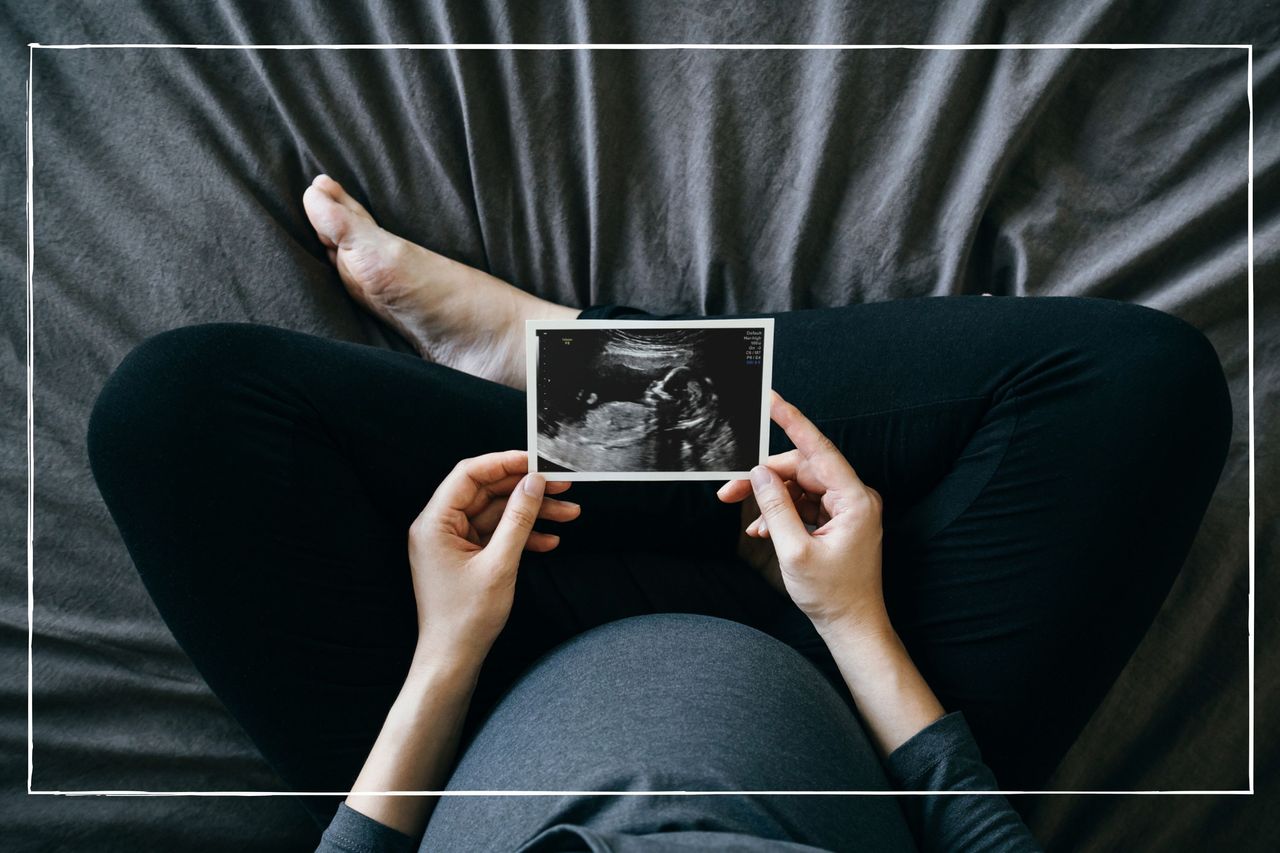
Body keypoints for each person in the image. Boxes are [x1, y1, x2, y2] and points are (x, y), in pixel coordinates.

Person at [86, 175, 1232, 852]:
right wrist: (851, 622)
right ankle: (571, 370)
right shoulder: (848, 638)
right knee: (1137, 383)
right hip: (853, 697)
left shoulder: (453, 667)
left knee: (173, 411)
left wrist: (444, 652)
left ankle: (561, 369)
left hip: (460, 710)